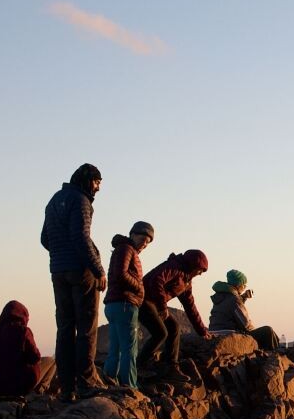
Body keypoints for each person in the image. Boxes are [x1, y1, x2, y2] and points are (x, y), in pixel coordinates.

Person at [41, 163, 105, 400]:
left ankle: (67, 388)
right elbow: (81, 238)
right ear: (88, 181)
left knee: (65, 329)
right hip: (81, 271)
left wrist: (60, 253)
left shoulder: (54, 200)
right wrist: (98, 270)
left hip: (58, 270)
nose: (98, 188)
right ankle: (86, 383)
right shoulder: (81, 201)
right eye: (97, 182)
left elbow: (44, 238)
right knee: (86, 329)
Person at [138, 249, 212, 382]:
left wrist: (202, 331)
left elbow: (190, 306)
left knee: (173, 327)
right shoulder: (174, 267)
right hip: (143, 300)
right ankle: (140, 365)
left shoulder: (186, 280)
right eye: (200, 270)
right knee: (160, 333)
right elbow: (156, 280)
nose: (200, 274)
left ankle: (170, 367)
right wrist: (162, 307)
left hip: (155, 303)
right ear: (193, 265)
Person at [103, 221, 154, 389]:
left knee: (116, 349)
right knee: (129, 350)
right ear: (133, 234)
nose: (145, 244)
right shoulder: (127, 249)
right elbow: (121, 274)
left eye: (148, 242)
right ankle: (129, 386)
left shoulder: (122, 249)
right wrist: (139, 287)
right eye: (142, 238)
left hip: (114, 304)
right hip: (125, 304)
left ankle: (109, 380)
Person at [208, 269, 279, 351]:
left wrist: (243, 297)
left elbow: (231, 307)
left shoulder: (221, 296)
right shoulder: (234, 299)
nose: (245, 287)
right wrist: (255, 331)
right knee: (267, 331)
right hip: (229, 334)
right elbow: (246, 325)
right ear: (238, 285)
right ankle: (276, 353)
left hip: (215, 333)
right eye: (244, 285)